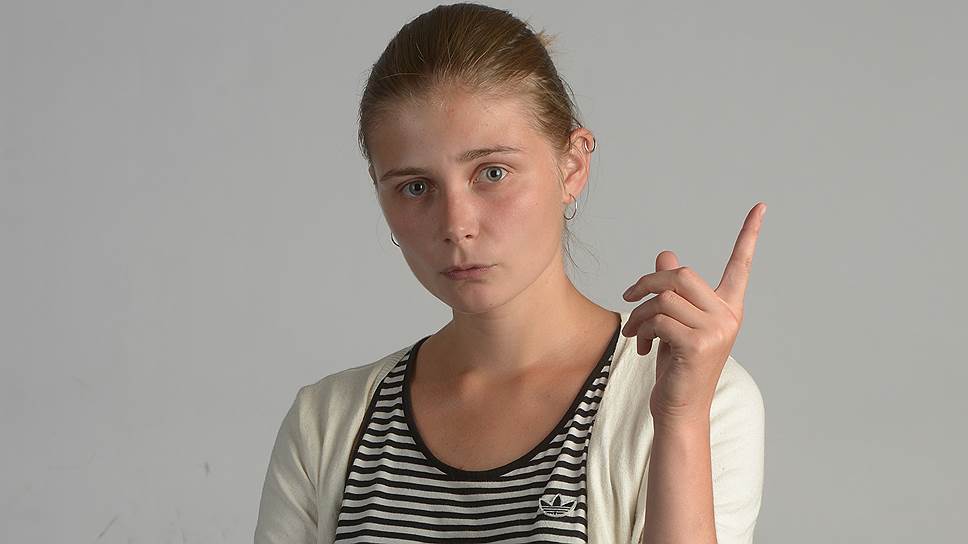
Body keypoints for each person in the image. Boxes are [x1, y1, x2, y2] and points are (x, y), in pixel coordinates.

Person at [255, 3, 766, 543]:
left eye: (492, 173)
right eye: (415, 187)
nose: (456, 225)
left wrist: (680, 417)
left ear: (572, 166)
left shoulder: (694, 396)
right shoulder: (324, 426)